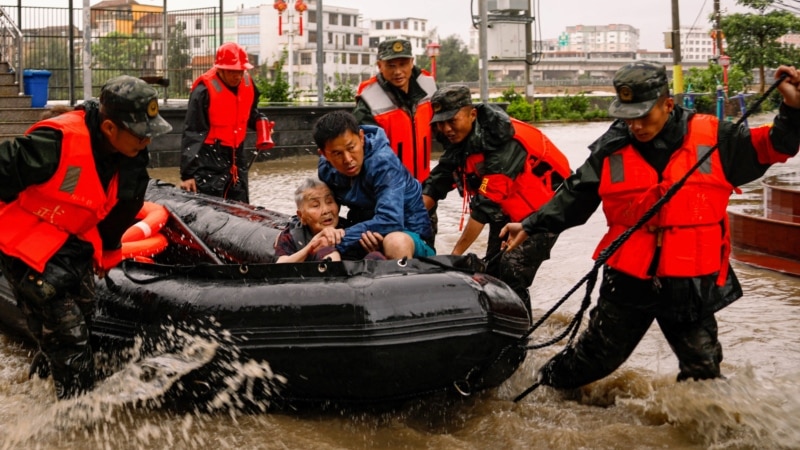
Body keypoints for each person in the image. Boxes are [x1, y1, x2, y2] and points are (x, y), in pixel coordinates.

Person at [501, 61, 800, 390]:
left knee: (703, 369)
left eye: (644, 115)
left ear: (667, 104)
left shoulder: (715, 137)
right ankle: (540, 389)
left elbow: (776, 145)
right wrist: (530, 224)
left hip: (690, 279)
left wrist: (792, 107)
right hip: (629, 276)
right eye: (629, 116)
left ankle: (705, 429)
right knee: (594, 359)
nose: (636, 125)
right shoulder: (610, 148)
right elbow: (574, 195)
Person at [0, 75, 172, 399]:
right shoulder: (55, 142)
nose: (146, 142)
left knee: (84, 313)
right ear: (109, 128)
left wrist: (109, 250)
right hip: (26, 247)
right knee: (69, 336)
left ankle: (40, 383)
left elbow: (126, 204)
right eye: (140, 135)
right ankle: (77, 420)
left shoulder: (133, 151)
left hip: (71, 241)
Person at [421, 85, 571, 309]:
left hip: (544, 212)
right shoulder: (459, 142)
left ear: (472, 114)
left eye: (452, 120)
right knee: (493, 273)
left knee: (511, 272)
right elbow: (436, 183)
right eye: (440, 122)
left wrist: (454, 256)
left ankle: (521, 337)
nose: (446, 128)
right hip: (507, 211)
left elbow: (483, 208)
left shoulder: (503, 143)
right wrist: (409, 217)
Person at [314, 110, 435, 260]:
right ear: (324, 154)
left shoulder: (384, 164)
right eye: (337, 154)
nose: (348, 159)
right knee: (322, 241)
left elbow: (391, 220)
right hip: (365, 232)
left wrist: (342, 238)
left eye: (351, 148)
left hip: (407, 234)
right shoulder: (326, 169)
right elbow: (328, 209)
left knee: (395, 242)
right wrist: (327, 233)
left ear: (361, 138)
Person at [180, 42, 266, 203]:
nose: (237, 76)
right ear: (219, 68)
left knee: (240, 202)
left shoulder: (248, 85)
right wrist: (188, 174)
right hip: (209, 156)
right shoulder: (203, 91)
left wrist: (261, 122)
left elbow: (250, 113)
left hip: (236, 154)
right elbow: (192, 132)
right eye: (232, 71)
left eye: (240, 71)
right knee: (211, 204)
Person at [353, 38, 437, 183]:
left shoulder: (428, 86)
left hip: (424, 186)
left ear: (412, 62)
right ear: (380, 66)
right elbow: (368, 154)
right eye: (391, 66)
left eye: (403, 64)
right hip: (389, 189)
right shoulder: (368, 100)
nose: (398, 72)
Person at [274, 177, 344, 263]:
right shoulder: (292, 235)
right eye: (315, 205)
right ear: (301, 216)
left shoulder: (349, 227)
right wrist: (311, 246)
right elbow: (280, 266)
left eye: (329, 202)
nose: (326, 211)